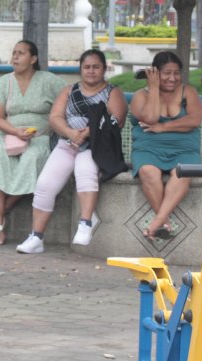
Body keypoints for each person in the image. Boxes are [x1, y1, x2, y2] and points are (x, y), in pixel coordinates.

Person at [16, 49, 127, 254]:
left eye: (96, 67)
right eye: (87, 67)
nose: (91, 71)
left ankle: (85, 223)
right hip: (68, 143)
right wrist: (71, 133)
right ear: (80, 69)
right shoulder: (69, 91)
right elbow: (55, 117)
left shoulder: (112, 92)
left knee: (85, 170)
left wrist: (88, 133)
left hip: (96, 147)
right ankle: (36, 237)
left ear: (104, 69)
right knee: (44, 184)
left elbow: (116, 120)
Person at [0, 40, 66, 245]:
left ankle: (1, 209)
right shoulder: (3, 82)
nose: (15, 57)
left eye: (21, 53)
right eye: (14, 53)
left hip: (39, 137)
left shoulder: (50, 81)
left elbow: (70, 98)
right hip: (7, 135)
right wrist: (15, 131)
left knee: (33, 158)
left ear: (33, 58)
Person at [129, 51, 202, 241]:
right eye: (167, 73)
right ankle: (164, 222)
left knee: (182, 173)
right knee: (148, 171)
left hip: (184, 149)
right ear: (155, 72)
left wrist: (163, 127)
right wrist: (154, 88)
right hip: (149, 148)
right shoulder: (140, 95)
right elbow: (150, 118)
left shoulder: (189, 92)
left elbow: (194, 120)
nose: (172, 78)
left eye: (176, 73)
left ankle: (157, 223)